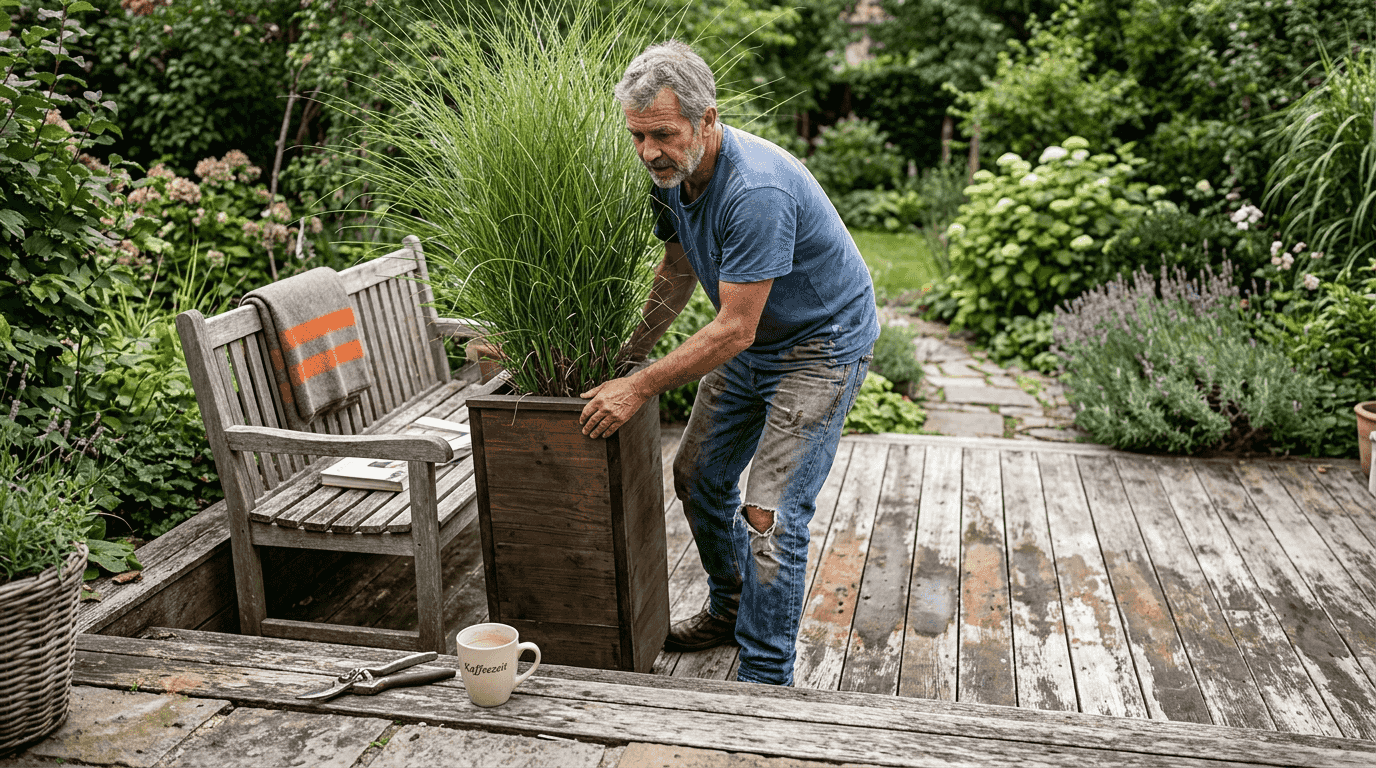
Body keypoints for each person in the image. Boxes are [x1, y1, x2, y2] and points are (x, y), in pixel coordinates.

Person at [578, 40, 879, 686]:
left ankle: (767, 677)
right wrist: (627, 353)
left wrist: (637, 386)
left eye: (663, 133)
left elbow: (733, 329)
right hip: (757, 341)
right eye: (637, 135)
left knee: (770, 511)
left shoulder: (757, 191)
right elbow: (679, 269)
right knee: (699, 476)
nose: (648, 150)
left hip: (820, 346)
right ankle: (731, 608)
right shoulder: (672, 175)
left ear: (707, 120)